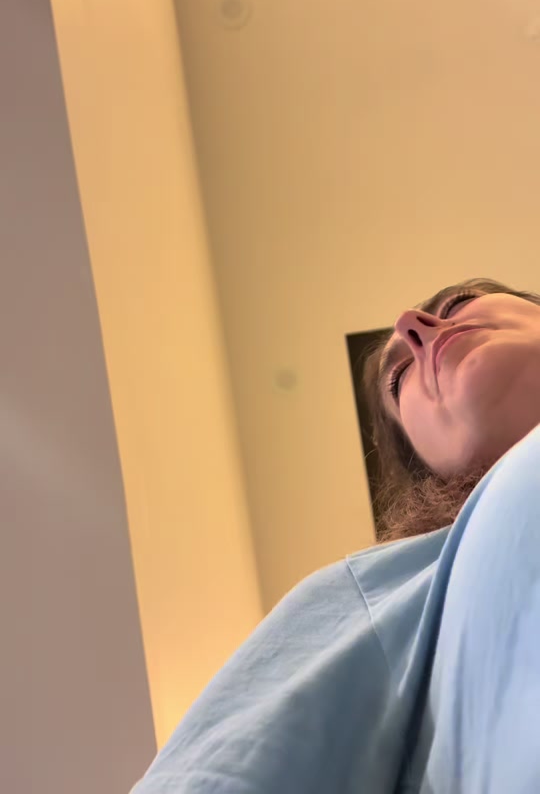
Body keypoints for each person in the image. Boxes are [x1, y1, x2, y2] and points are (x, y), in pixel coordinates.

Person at [132, 277, 540, 793]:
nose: (412, 325)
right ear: (426, 467)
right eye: (399, 378)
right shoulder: (377, 595)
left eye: (459, 302)